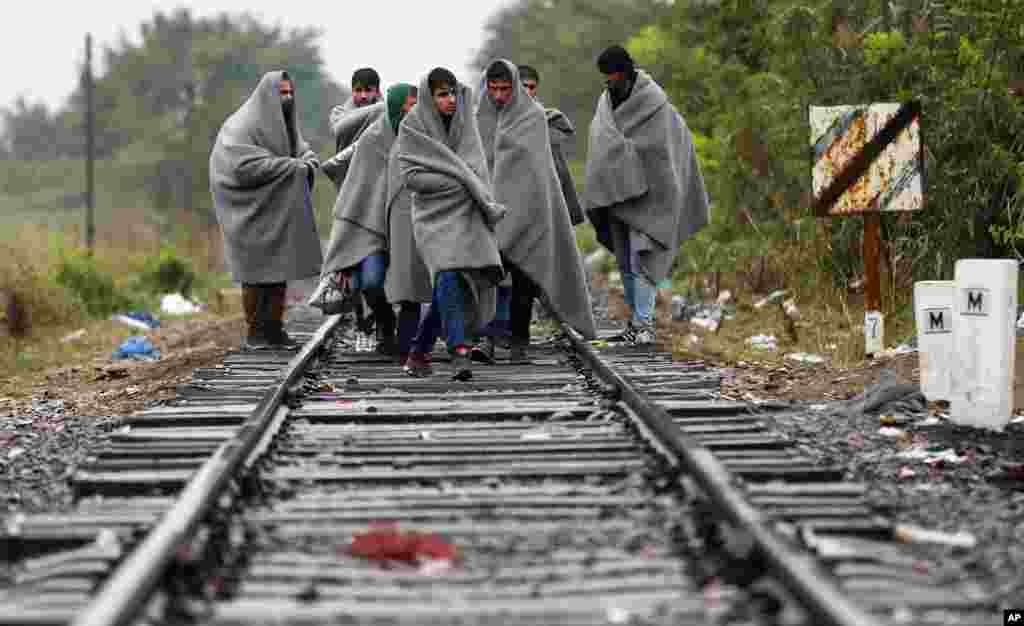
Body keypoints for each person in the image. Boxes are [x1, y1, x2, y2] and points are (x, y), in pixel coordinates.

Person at [584, 45, 710, 345]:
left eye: (613, 77)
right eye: (605, 78)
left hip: (654, 197)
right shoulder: (606, 103)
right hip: (618, 196)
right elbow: (600, 144)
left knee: (644, 258)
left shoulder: (655, 103)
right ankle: (635, 325)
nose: (610, 83)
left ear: (626, 74)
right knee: (626, 261)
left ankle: (644, 326)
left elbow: (666, 150)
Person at [474, 59, 596, 363]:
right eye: (493, 88)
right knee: (489, 281)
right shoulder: (478, 120)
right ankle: (486, 340)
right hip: (491, 217)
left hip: (529, 214)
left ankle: (518, 344)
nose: (499, 95)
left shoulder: (533, 119)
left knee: (525, 283)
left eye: (505, 88)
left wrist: (541, 211)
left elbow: (543, 171)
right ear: (486, 87)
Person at [395, 67, 506, 380]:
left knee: (453, 279)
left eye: (452, 92)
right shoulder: (412, 126)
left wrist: (465, 184)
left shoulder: (465, 123)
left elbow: (476, 169)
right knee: (447, 273)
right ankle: (460, 351)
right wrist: (459, 184)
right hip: (432, 217)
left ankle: (419, 351)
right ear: (430, 98)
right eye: (442, 94)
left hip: (467, 214)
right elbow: (412, 177)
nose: (450, 100)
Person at [209, 70, 323, 350]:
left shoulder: (283, 124)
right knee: (254, 276)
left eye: (289, 93)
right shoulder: (240, 126)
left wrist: (306, 161)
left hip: (276, 211)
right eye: (281, 93)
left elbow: (301, 150)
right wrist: (291, 167)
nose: (286, 98)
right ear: (266, 95)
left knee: (277, 273)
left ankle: (274, 330)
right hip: (246, 211)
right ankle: (256, 333)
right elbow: (240, 166)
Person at [313, 84, 421, 358]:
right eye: (407, 106)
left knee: (410, 287)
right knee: (372, 282)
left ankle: (405, 343)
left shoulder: (421, 136)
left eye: (415, 105)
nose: (412, 111)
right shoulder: (372, 139)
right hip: (371, 227)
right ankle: (385, 321)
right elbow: (356, 185)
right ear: (396, 107)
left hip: (408, 225)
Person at [518, 64, 585, 226]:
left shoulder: (550, 119)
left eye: (531, 87)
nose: (527, 91)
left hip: (550, 189)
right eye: (523, 86)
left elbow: (557, 160)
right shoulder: (499, 120)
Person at [321, 68, 385, 189]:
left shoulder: (386, 116)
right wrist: (380, 108)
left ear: (377, 92)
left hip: (377, 181)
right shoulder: (339, 113)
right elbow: (339, 128)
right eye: (358, 90)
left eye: (368, 90)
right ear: (352, 91)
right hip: (348, 181)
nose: (363, 95)